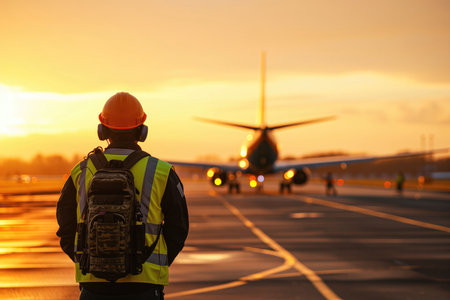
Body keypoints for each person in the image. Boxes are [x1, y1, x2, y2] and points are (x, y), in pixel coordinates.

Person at [56, 92, 189, 300]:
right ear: (142, 130)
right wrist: (150, 261)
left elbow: (65, 226)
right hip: (144, 285)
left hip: (93, 286)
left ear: (102, 129)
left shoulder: (80, 171)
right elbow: (179, 228)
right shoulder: (161, 172)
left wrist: (84, 258)